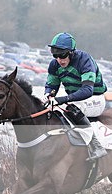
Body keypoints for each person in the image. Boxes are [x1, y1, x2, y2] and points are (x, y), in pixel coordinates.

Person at [44, 32, 107, 161]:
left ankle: (97, 146)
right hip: (76, 98)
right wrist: (48, 96)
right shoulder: (54, 65)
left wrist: (62, 99)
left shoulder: (84, 60)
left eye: (62, 55)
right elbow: (51, 86)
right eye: (55, 55)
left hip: (95, 98)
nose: (59, 60)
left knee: (73, 108)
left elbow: (87, 90)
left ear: (71, 52)